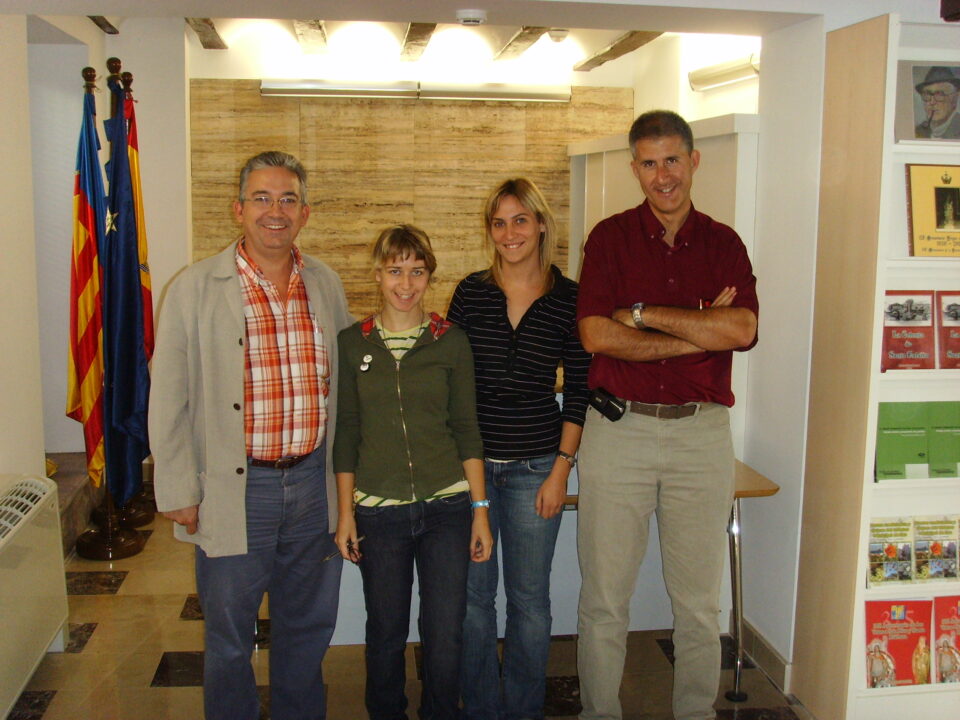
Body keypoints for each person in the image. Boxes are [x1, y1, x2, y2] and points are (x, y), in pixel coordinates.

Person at [149, 151, 352, 720]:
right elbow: (167, 396)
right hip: (236, 491)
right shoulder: (193, 289)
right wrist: (178, 489)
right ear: (239, 209)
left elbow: (344, 389)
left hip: (313, 484)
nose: (275, 211)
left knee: (306, 627)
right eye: (262, 198)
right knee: (230, 636)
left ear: (305, 213)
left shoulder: (326, 284)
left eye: (288, 199)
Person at [575, 110, 759, 720]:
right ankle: (599, 712)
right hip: (618, 431)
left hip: (700, 435)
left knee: (700, 605)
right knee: (604, 600)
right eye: (649, 163)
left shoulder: (724, 242)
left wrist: (643, 313)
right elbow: (597, 336)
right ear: (635, 169)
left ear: (693, 160)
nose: (663, 176)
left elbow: (741, 327)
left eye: (672, 159)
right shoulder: (608, 238)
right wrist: (697, 328)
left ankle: (696, 714)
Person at [333, 224, 494, 720]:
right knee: (385, 632)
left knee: (446, 633)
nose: (406, 284)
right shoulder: (351, 343)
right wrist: (346, 515)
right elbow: (347, 435)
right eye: (395, 271)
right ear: (378, 275)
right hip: (379, 515)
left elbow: (467, 429)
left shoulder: (451, 342)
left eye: (417, 272)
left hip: (446, 509)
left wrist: (480, 512)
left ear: (430, 276)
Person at [448, 178, 591, 720]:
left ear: (540, 225)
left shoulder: (569, 297)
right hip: (474, 471)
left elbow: (579, 390)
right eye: (499, 222)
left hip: (537, 468)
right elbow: (452, 383)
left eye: (520, 220)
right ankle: (483, 708)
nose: (510, 233)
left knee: (529, 604)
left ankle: (524, 709)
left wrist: (561, 471)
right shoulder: (471, 292)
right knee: (474, 602)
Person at [915, 66, 960, 139]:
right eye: (927, 94)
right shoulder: (918, 131)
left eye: (939, 94)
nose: (932, 102)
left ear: (955, 98)